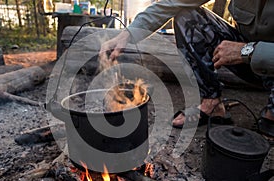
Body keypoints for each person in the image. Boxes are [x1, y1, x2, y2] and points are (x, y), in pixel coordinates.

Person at [100, 0, 274, 136]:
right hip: (248, 63)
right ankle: (211, 102)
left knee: (269, 126)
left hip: (265, 64)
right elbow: (173, 3)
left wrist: (248, 51)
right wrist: (127, 34)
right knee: (187, 15)